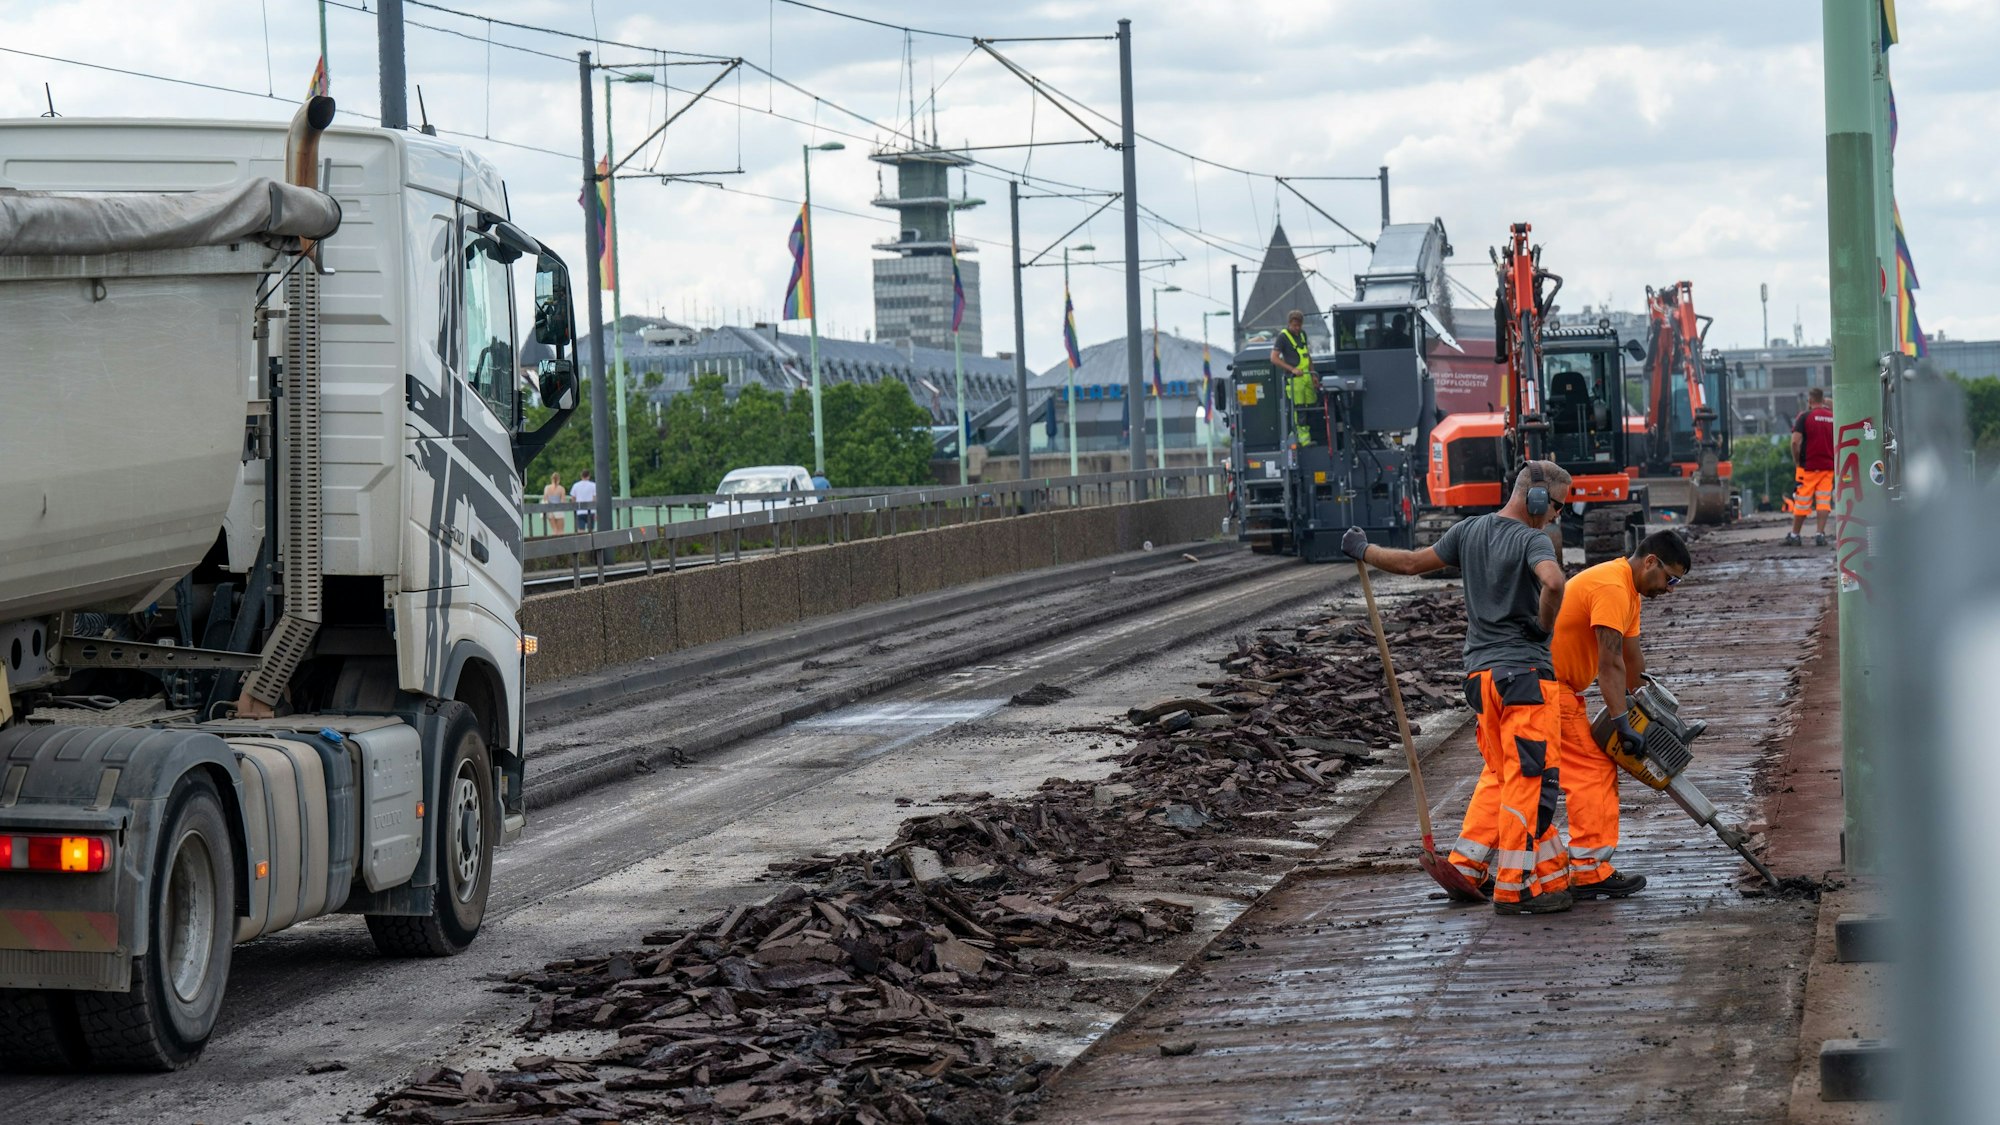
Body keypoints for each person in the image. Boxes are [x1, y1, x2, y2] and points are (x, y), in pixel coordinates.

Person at [1342, 461, 1575, 914]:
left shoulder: (1468, 531)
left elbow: (1410, 564)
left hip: (1480, 681)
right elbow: (1554, 581)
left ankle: (1467, 868)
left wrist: (1363, 549)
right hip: (1525, 679)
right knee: (1531, 781)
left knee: (1500, 776)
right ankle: (1514, 888)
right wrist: (1542, 627)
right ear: (1538, 499)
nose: (1557, 517)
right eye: (1558, 507)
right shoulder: (1533, 539)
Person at [1545, 529, 1692, 899]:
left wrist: (1654, 713)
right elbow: (1609, 664)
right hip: (1548, 690)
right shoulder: (1612, 587)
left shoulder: (1628, 589)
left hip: (1546, 687)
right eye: (1670, 579)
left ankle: (1468, 865)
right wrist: (1622, 723)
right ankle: (1590, 872)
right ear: (1650, 562)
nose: (1671, 588)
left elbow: (1630, 660)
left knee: (1505, 774)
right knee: (1593, 771)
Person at [1788, 386, 1834, 547]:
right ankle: (1820, 534)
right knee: (1823, 502)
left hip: (1808, 467)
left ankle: (1795, 535)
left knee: (1801, 502)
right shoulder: (1832, 417)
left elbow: (1795, 442)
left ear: (1810, 400)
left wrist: (1797, 460)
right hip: (1828, 466)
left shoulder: (1804, 417)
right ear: (1823, 400)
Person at [1269, 309, 1318, 445]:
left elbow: (1307, 355)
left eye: (1299, 325)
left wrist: (1313, 374)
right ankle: (1303, 440)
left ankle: (1308, 435)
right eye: (1294, 325)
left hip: (1307, 377)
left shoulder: (1302, 334)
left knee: (1312, 407)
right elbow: (1274, 358)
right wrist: (1292, 369)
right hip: (1295, 381)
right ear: (1289, 323)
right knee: (1300, 409)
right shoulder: (1283, 337)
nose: (1297, 328)